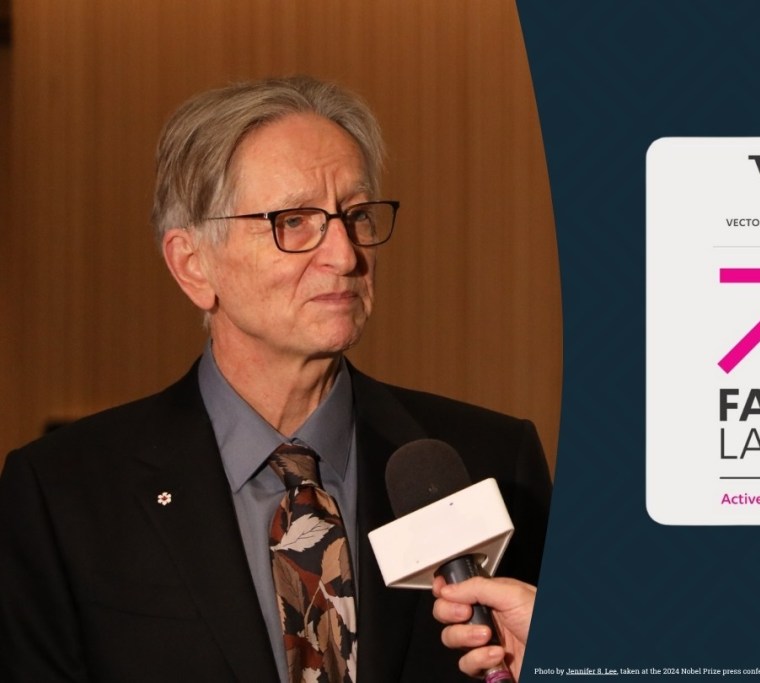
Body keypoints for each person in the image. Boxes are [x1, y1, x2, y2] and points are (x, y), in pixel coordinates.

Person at [0, 75, 550, 683]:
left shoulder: (490, 462)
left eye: (355, 215)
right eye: (294, 221)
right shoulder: (63, 494)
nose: (344, 256)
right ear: (193, 264)